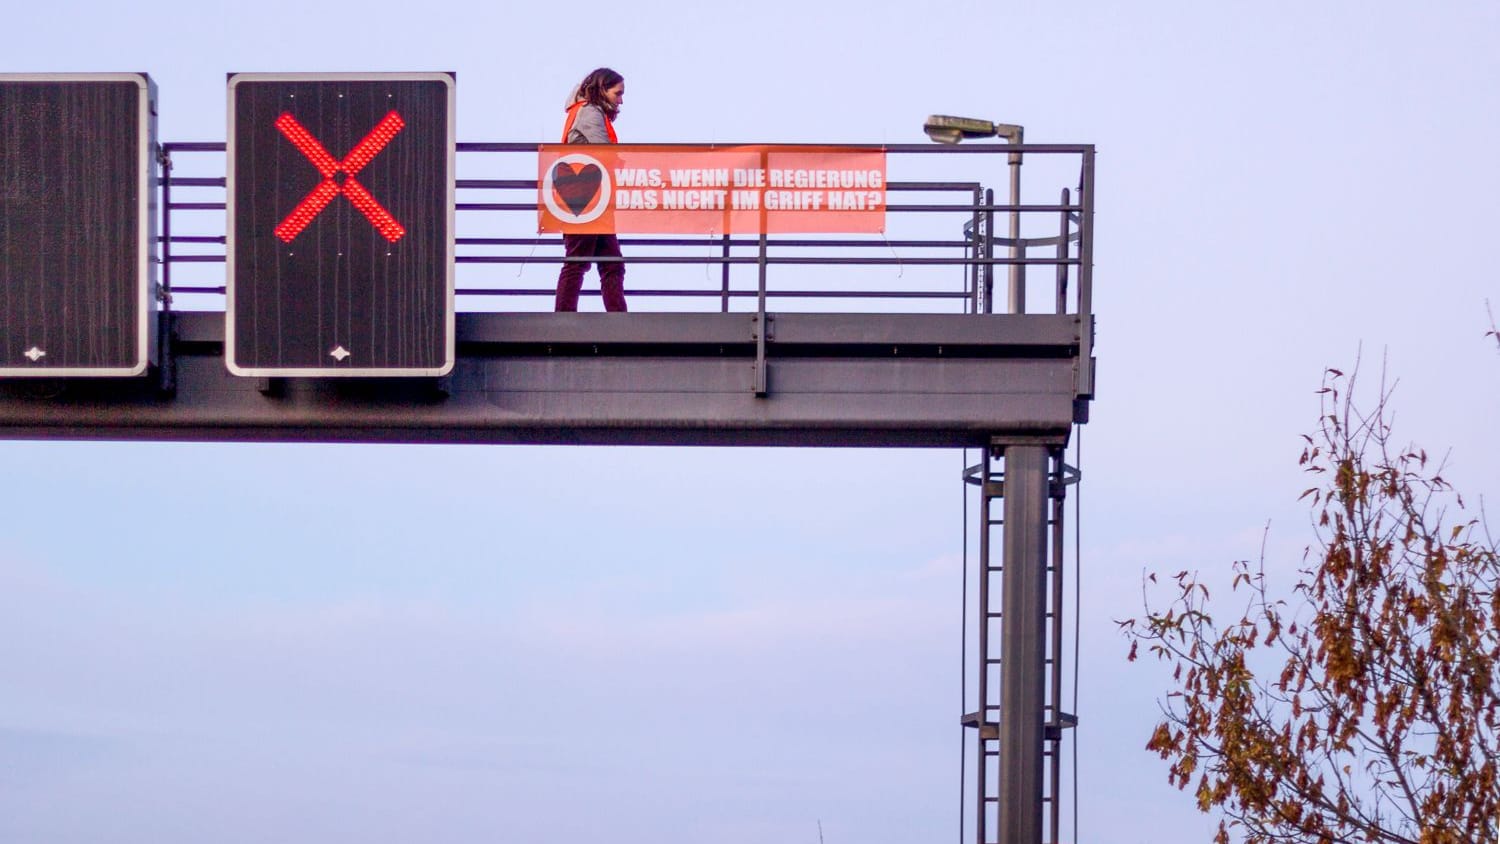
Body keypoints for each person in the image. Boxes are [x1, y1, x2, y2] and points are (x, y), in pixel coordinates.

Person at [554, 68, 627, 312]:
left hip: (593, 198)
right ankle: (564, 317)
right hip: (586, 197)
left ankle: (616, 317)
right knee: (582, 260)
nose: (621, 100)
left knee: (609, 263)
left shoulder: (584, 111)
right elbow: (604, 153)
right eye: (617, 93)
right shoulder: (590, 113)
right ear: (602, 89)